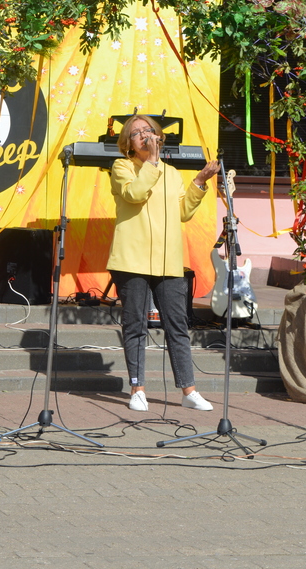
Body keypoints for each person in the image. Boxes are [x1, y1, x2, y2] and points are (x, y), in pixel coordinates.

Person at [107, 114, 220, 412]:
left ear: (158, 135)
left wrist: (199, 182)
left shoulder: (171, 173)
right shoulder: (122, 167)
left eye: (148, 130)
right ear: (128, 144)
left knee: (177, 325)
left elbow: (183, 212)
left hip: (168, 261)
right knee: (135, 325)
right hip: (131, 260)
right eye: (136, 133)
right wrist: (153, 163)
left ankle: (188, 391)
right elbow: (134, 194)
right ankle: (138, 389)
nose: (144, 135)